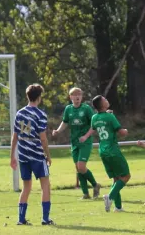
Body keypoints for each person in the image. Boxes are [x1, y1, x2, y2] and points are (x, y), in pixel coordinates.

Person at [10, 84, 55, 226]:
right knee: (45, 186)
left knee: (26, 186)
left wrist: (12, 155)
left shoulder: (20, 113)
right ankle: (45, 218)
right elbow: (43, 138)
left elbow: (15, 136)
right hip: (36, 154)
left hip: (23, 155)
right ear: (39, 97)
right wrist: (47, 155)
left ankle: (21, 219)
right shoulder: (40, 115)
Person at [80, 95, 130, 212]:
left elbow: (99, 124)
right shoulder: (110, 117)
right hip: (113, 150)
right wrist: (126, 131)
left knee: (116, 178)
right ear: (103, 104)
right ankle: (110, 197)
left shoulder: (94, 118)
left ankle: (118, 207)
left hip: (103, 151)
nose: (107, 100)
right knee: (126, 176)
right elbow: (121, 132)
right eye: (105, 100)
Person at [52, 88, 101, 199]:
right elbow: (65, 122)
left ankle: (95, 185)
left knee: (81, 166)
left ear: (82, 97)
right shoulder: (68, 109)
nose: (77, 97)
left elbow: (94, 125)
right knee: (78, 168)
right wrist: (58, 131)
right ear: (71, 97)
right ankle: (85, 193)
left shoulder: (87, 109)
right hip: (74, 142)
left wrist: (85, 136)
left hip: (85, 141)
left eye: (79, 94)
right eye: (74, 95)